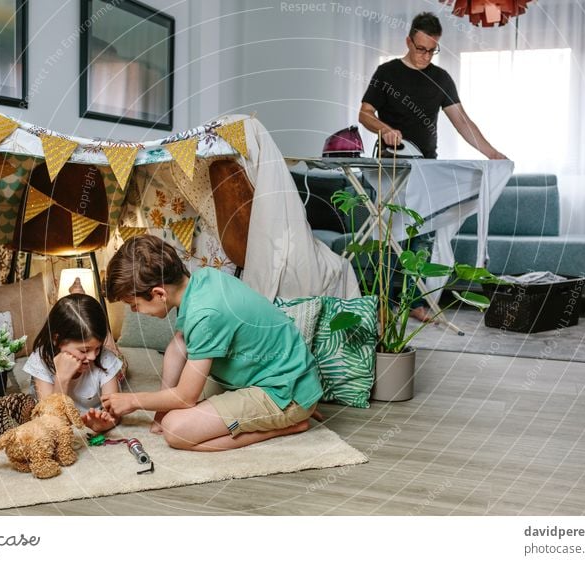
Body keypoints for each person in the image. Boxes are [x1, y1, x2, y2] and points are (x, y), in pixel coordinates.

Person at [101, 234, 322, 452]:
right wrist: (160, 412)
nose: (135, 311)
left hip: (284, 393)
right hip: (278, 378)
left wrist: (134, 400)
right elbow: (179, 345)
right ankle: (281, 415)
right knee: (176, 390)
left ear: (159, 293)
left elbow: (187, 397)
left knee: (176, 430)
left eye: (134, 304)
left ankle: (289, 424)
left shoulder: (205, 314)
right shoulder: (201, 281)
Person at [359, 11, 508, 320]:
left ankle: (413, 302)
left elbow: (463, 122)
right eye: (420, 48)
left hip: (426, 167)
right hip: (391, 168)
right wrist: (383, 128)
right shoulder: (386, 73)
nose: (425, 56)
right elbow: (364, 113)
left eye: (432, 49)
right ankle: (380, 303)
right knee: (388, 237)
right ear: (408, 41)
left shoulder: (440, 79)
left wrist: (492, 153)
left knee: (421, 233)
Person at [23, 293, 122, 433]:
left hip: (109, 362)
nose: (93, 356)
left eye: (97, 348)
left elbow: (114, 412)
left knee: (117, 361)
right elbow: (49, 417)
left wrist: (104, 424)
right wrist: (61, 378)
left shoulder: (104, 357)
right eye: (84, 350)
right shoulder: (40, 360)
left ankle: (111, 346)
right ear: (57, 339)